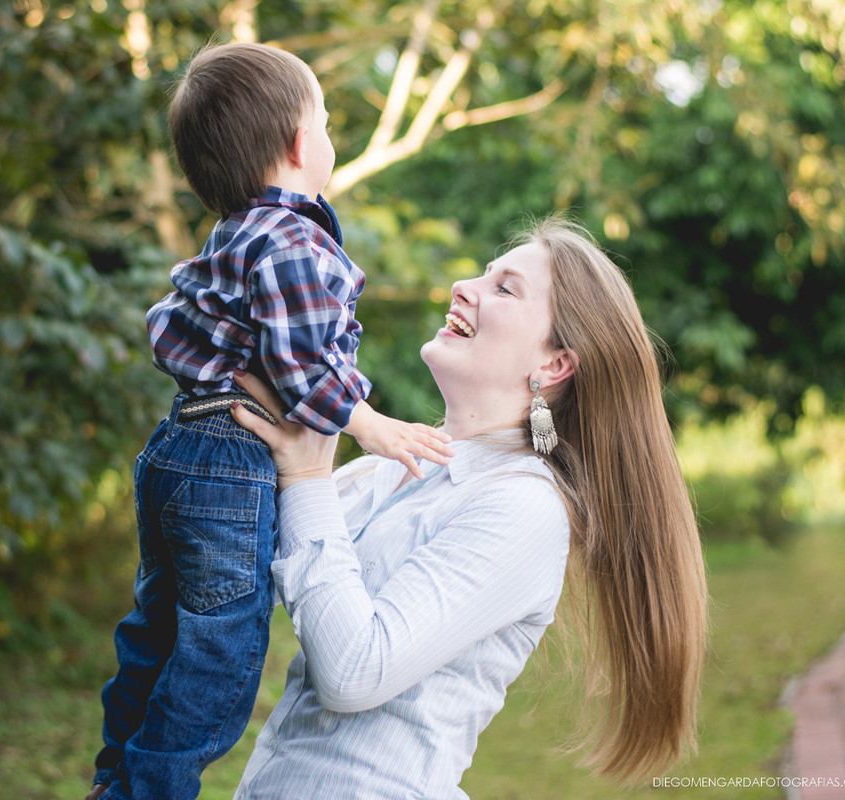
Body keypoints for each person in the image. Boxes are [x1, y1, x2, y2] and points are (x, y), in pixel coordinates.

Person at [227, 216, 709, 798]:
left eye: (504, 288)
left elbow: (355, 671)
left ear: (553, 365)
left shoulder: (526, 507)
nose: (465, 287)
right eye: (484, 274)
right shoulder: (396, 470)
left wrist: (306, 475)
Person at [87, 41, 454, 800]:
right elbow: (298, 366)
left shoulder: (234, 232)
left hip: (181, 447)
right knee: (219, 657)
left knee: (156, 629)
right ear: (298, 143)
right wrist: (373, 425)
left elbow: (172, 326)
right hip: (229, 463)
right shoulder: (292, 242)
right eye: (324, 121)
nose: (329, 137)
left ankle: (113, 773)